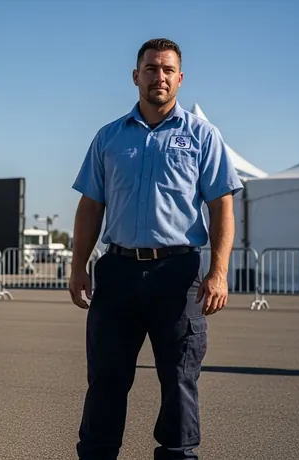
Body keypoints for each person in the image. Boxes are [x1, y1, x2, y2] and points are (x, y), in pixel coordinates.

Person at [68, 37, 243, 460]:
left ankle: (179, 454)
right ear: (135, 76)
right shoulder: (108, 138)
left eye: (167, 70)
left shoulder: (202, 136)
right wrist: (78, 268)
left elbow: (221, 206)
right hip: (118, 273)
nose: (158, 76)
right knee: (107, 377)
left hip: (178, 275)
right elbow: (91, 205)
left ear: (180, 79)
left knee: (179, 379)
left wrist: (217, 272)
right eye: (150, 68)